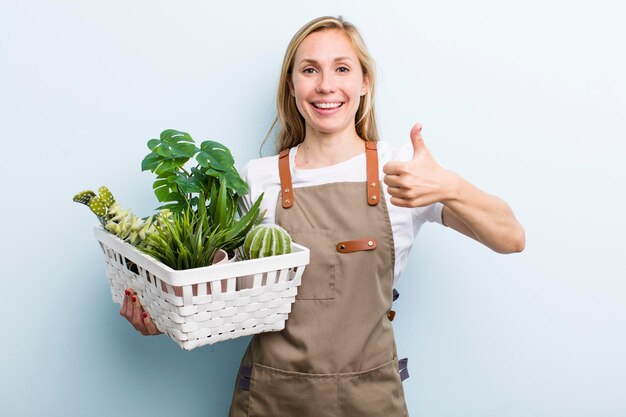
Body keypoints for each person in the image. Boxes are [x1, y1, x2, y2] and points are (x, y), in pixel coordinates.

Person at [121, 15, 525, 416]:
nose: (326, 85)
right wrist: (165, 316)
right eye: (310, 70)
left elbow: (510, 238)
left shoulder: (399, 172)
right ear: (292, 86)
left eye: (342, 69)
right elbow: (225, 294)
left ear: (364, 83)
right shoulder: (258, 179)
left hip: (369, 401)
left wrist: (449, 186)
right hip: (270, 399)